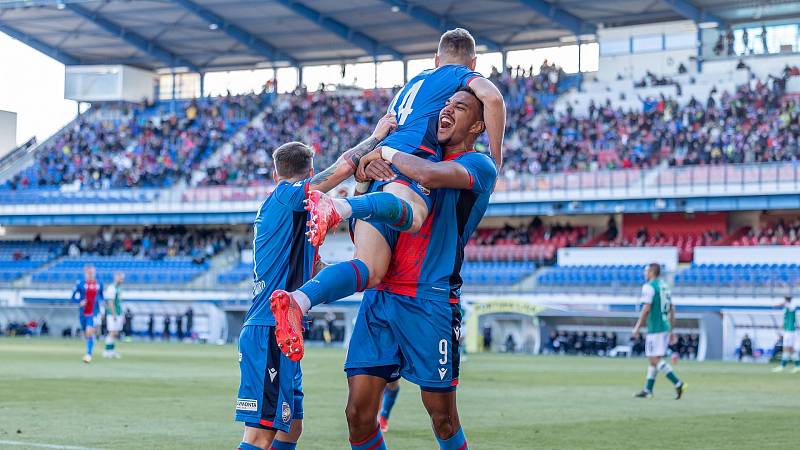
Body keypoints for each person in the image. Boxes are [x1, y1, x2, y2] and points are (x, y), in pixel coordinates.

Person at [270, 29, 506, 360]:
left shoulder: (412, 84)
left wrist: (372, 161)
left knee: (368, 269)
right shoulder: (458, 75)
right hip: (406, 160)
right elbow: (493, 98)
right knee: (415, 215)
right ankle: (337, 208)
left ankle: (300, 300)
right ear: (472, 63)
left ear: (435, 59)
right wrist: (497, 155)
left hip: (374, 165)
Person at [331, 88, 496, 450]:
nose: (447, 111)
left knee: (443, 418)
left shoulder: (478, 165)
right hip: (380, 298)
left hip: (429, 300)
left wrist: (385, 149)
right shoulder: (407, 161)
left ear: (478, 125)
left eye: (461, 108)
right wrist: (363, 181)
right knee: (357, 416)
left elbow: (431, 175)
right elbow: (364, 230)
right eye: (446, 105)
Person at [234, 113, 397, 450]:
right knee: (261, 433)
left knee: (291, 427)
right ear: (308, 174)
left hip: (284, 331)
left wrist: (364, 271)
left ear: (275, 169)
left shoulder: (294, 218)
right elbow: (340, 168)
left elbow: (320, 269)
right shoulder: (287, 197)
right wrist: (377, 137)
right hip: (269, 327)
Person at [632, 263, 686, 399]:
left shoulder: (649, 287)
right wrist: (672, 330)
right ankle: (648, 390)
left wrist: (637, 327)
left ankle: (678, 382)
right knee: (654, 360)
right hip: (665, 326)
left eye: (646, 271)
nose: (644, 274)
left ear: (651, 272)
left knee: (653, 358)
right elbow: (672, 309)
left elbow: (646, 308)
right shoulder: (665, 286)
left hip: (655, 328)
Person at [71, 265, 104, 363]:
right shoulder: (80, 284)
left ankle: (88, 354)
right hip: (83, 313)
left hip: (93, 312)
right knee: (86, 333)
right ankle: (91, 341)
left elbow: (102, 298)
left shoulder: (99, 284)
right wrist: (79, 302)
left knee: (89, 331)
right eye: (89, 273)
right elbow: (72, 298)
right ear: (85, 273)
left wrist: (102, 311)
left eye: (92, 273)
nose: (90, 274)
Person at [772, 296, 799, 372]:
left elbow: (780, 304)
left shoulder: (791, 306)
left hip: (791, 331)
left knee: (786, 348)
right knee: (791, 349)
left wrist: (776, 305)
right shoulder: (786, 309)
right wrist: (781, 330)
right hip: (788, 331)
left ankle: (782, 365)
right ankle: (797, 366)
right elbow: (785, 321)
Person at [103, 272, 124, 359]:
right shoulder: (111, 288)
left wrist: (121, 314)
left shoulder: (119, 288)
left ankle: (111, 350)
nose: (122, 279)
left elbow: (119, 303)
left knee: (115, 333)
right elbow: (110, 302)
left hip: (118, 313)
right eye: (121, 278)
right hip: (112, 314)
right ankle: (107, 351)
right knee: (112, 332)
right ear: (116, 278)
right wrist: (114, 314)